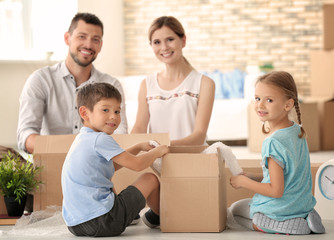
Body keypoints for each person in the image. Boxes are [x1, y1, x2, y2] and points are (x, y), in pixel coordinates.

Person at [61, 82, 169, 237]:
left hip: (76, 223)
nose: (113, 116)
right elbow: (137, 165)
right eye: (105, 110)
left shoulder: (83, 139)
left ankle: (127, 214)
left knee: (108, 186)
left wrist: (138, 147)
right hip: (103, 220)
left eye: (117, 111)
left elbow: (112, 164)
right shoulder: (100, 139)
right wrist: (158, 151)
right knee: (150, 179)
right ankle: (157, 218)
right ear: (85, 113)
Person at [228, 71, 325, 235]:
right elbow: (289, 175)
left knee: (235, 210)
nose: (260, 105)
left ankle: (272, 223)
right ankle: (304, 217)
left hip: (281, 207)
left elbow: (275, 190)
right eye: (257, 98)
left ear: (287, 105)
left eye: (269, 100)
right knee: (245, 206)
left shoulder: (273, 142)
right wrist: (253, 176)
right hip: (301, 204)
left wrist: (243, 182)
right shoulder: (296, 131)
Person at [17, 12, 127, 154]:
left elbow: (121, 135)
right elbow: (25, 136)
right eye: (82, 36)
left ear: (100, 45)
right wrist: (71, 151)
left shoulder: (112, 85)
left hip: (96, 169)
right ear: (67, 38)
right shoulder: (40, 80)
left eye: (95, 39)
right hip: (50, 166)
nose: (88, 45)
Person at [131, 16, 215, 145]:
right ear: (151, 46)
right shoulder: (147, 84)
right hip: (157, 160)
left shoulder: (204, 83)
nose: (164, 47)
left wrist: (161, 146)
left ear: (183, 41)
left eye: (170, 40)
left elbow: (199, 136)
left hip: (193, 159)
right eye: (157, 42)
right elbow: (139, 128)